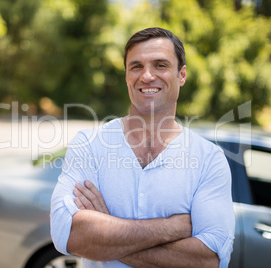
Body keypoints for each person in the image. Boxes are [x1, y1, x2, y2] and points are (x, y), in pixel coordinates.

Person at [50, 27, 235, 268]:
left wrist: (106, 234)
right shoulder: (90, 144)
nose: (147, 76)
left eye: (160, 65)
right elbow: (68, 234)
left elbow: (208, 260)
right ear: (126, 75)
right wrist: (171, 228)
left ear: (181, 75)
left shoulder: (209, 159)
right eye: (136, 66)